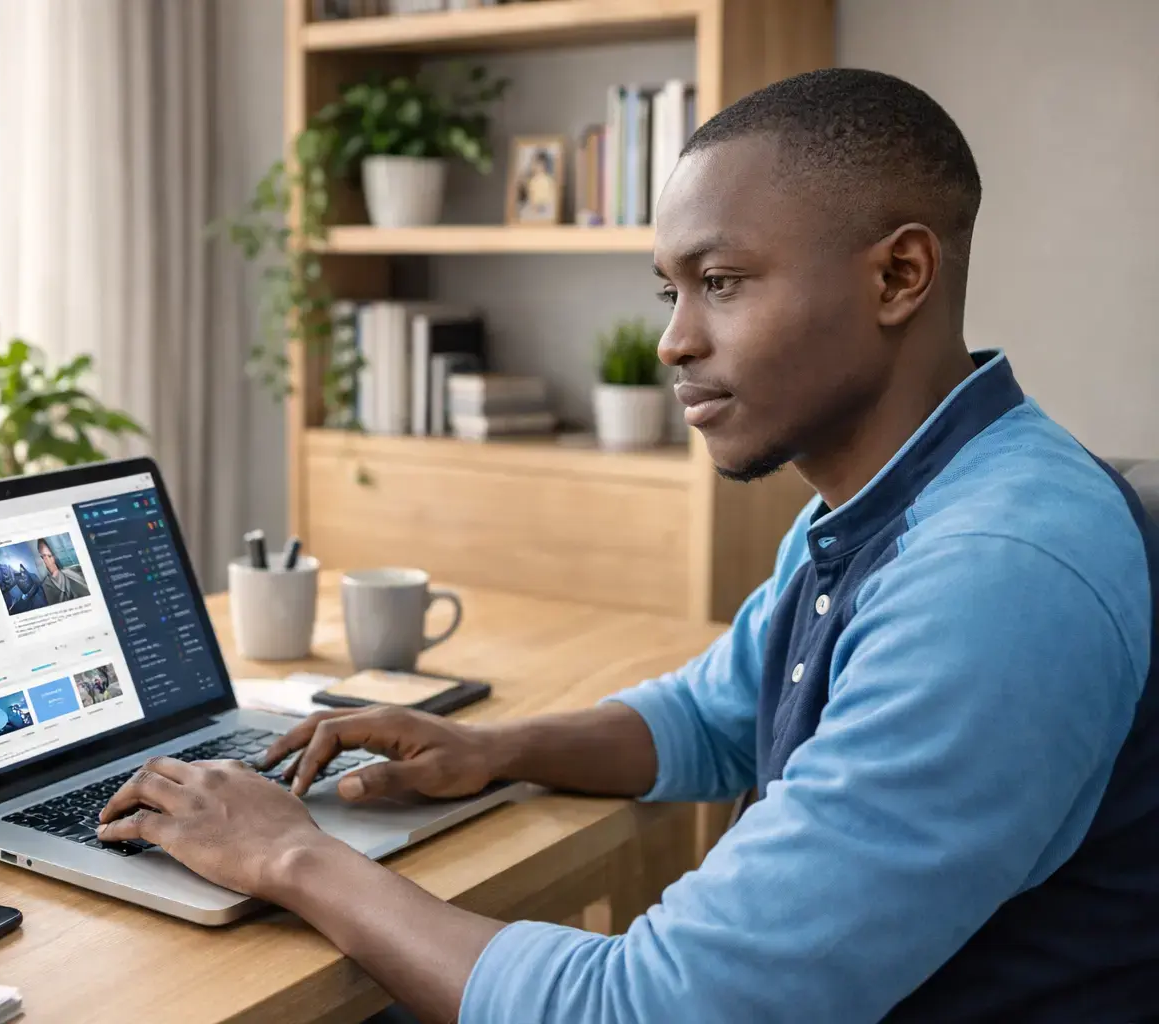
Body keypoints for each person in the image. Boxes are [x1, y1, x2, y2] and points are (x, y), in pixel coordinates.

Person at [97, 68, 1158, 1022]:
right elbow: (715, 713)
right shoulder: (902, 493)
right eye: (670, 289)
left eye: (723, 281)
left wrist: (290, 853)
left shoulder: (993, 575)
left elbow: (653, 1008)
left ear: (899, 277)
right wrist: (494, 748)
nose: (672, 339)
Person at [38, 538, 89, 604]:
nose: (46, 559)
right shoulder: (46, 585)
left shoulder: (73, 570)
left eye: (49, 556)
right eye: (43, 557)